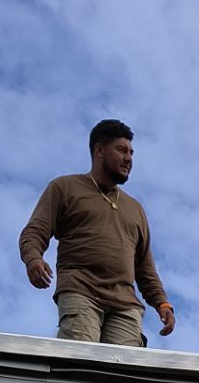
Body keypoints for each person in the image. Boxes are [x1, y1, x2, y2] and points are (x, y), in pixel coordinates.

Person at [19, 120, 176, 345]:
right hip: (81, 291)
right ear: (99, 150)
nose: (129, 158)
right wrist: (33, 258)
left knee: (123, 374)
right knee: (81, 366)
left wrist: (162, 303)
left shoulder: (135, 208)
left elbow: (144, 267)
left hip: (125, 305)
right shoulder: (65, 187)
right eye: (121, 150)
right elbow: (35, 231)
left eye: (131, 152)